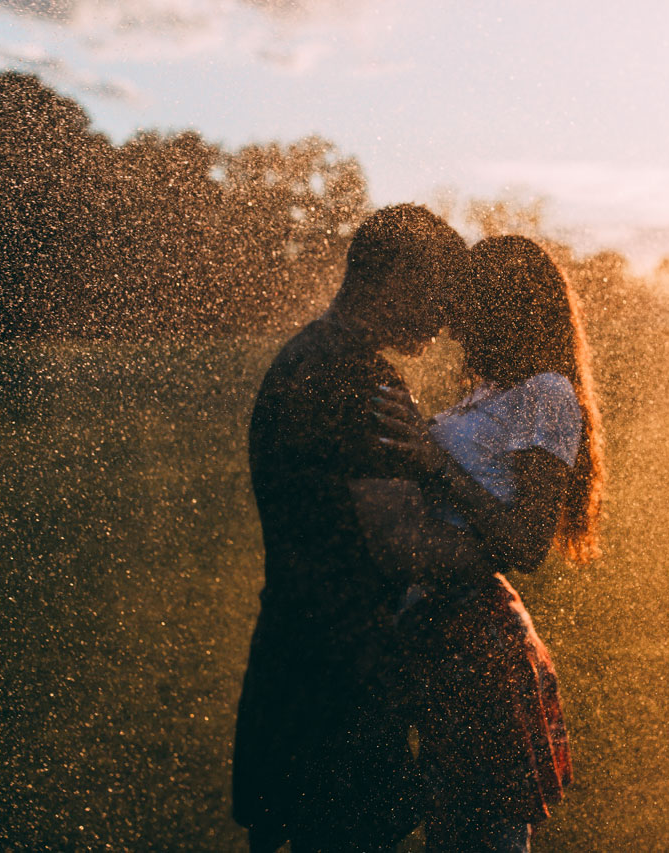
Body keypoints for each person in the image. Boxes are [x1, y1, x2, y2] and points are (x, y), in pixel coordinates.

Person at [232, 204, 484, 853]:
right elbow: (402, 546)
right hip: (341, 693)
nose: (448, 317)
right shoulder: (357, 377)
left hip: (292, 662)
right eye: (441, 292)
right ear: (396, 274)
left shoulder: (305, 355)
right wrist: (506, 544)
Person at [372, 235, 604, 852]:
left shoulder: (547, 395)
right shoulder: (488, 392)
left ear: (501, 307)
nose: (448, 323)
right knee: (448, 828)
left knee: (481, 833)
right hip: (438, 629)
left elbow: (527, 541)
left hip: (476, 642)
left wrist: (431, 459)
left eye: (463, 304)